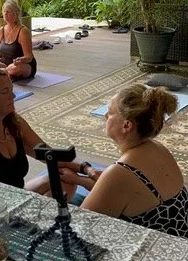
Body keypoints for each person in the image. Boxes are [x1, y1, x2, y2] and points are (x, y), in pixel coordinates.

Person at [61, 84, 188, 238]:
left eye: (109, 113)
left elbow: (80, 229)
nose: (105, 117)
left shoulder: (121, 172)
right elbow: (122, 194)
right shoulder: (158, 148)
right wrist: (79, 179)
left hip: (163, 254)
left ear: (126, 125)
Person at [0, 68, 74, 195]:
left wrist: (85, 169)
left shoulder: (14, 122)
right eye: (5, 92)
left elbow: (47, 154)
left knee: (67, 180)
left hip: (15, 193)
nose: (13, 96)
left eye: (11, 90)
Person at [0, 0, 37, 80]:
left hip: (21, 65)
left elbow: (29, 57)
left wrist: (21, 59)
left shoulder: (23, 31)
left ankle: (0, 71)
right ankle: (2, 70)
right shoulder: (1, 30)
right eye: (4, 12)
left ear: (16, 13)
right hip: (3, 63)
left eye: (8, 12)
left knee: (17, 68)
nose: (5, 14)